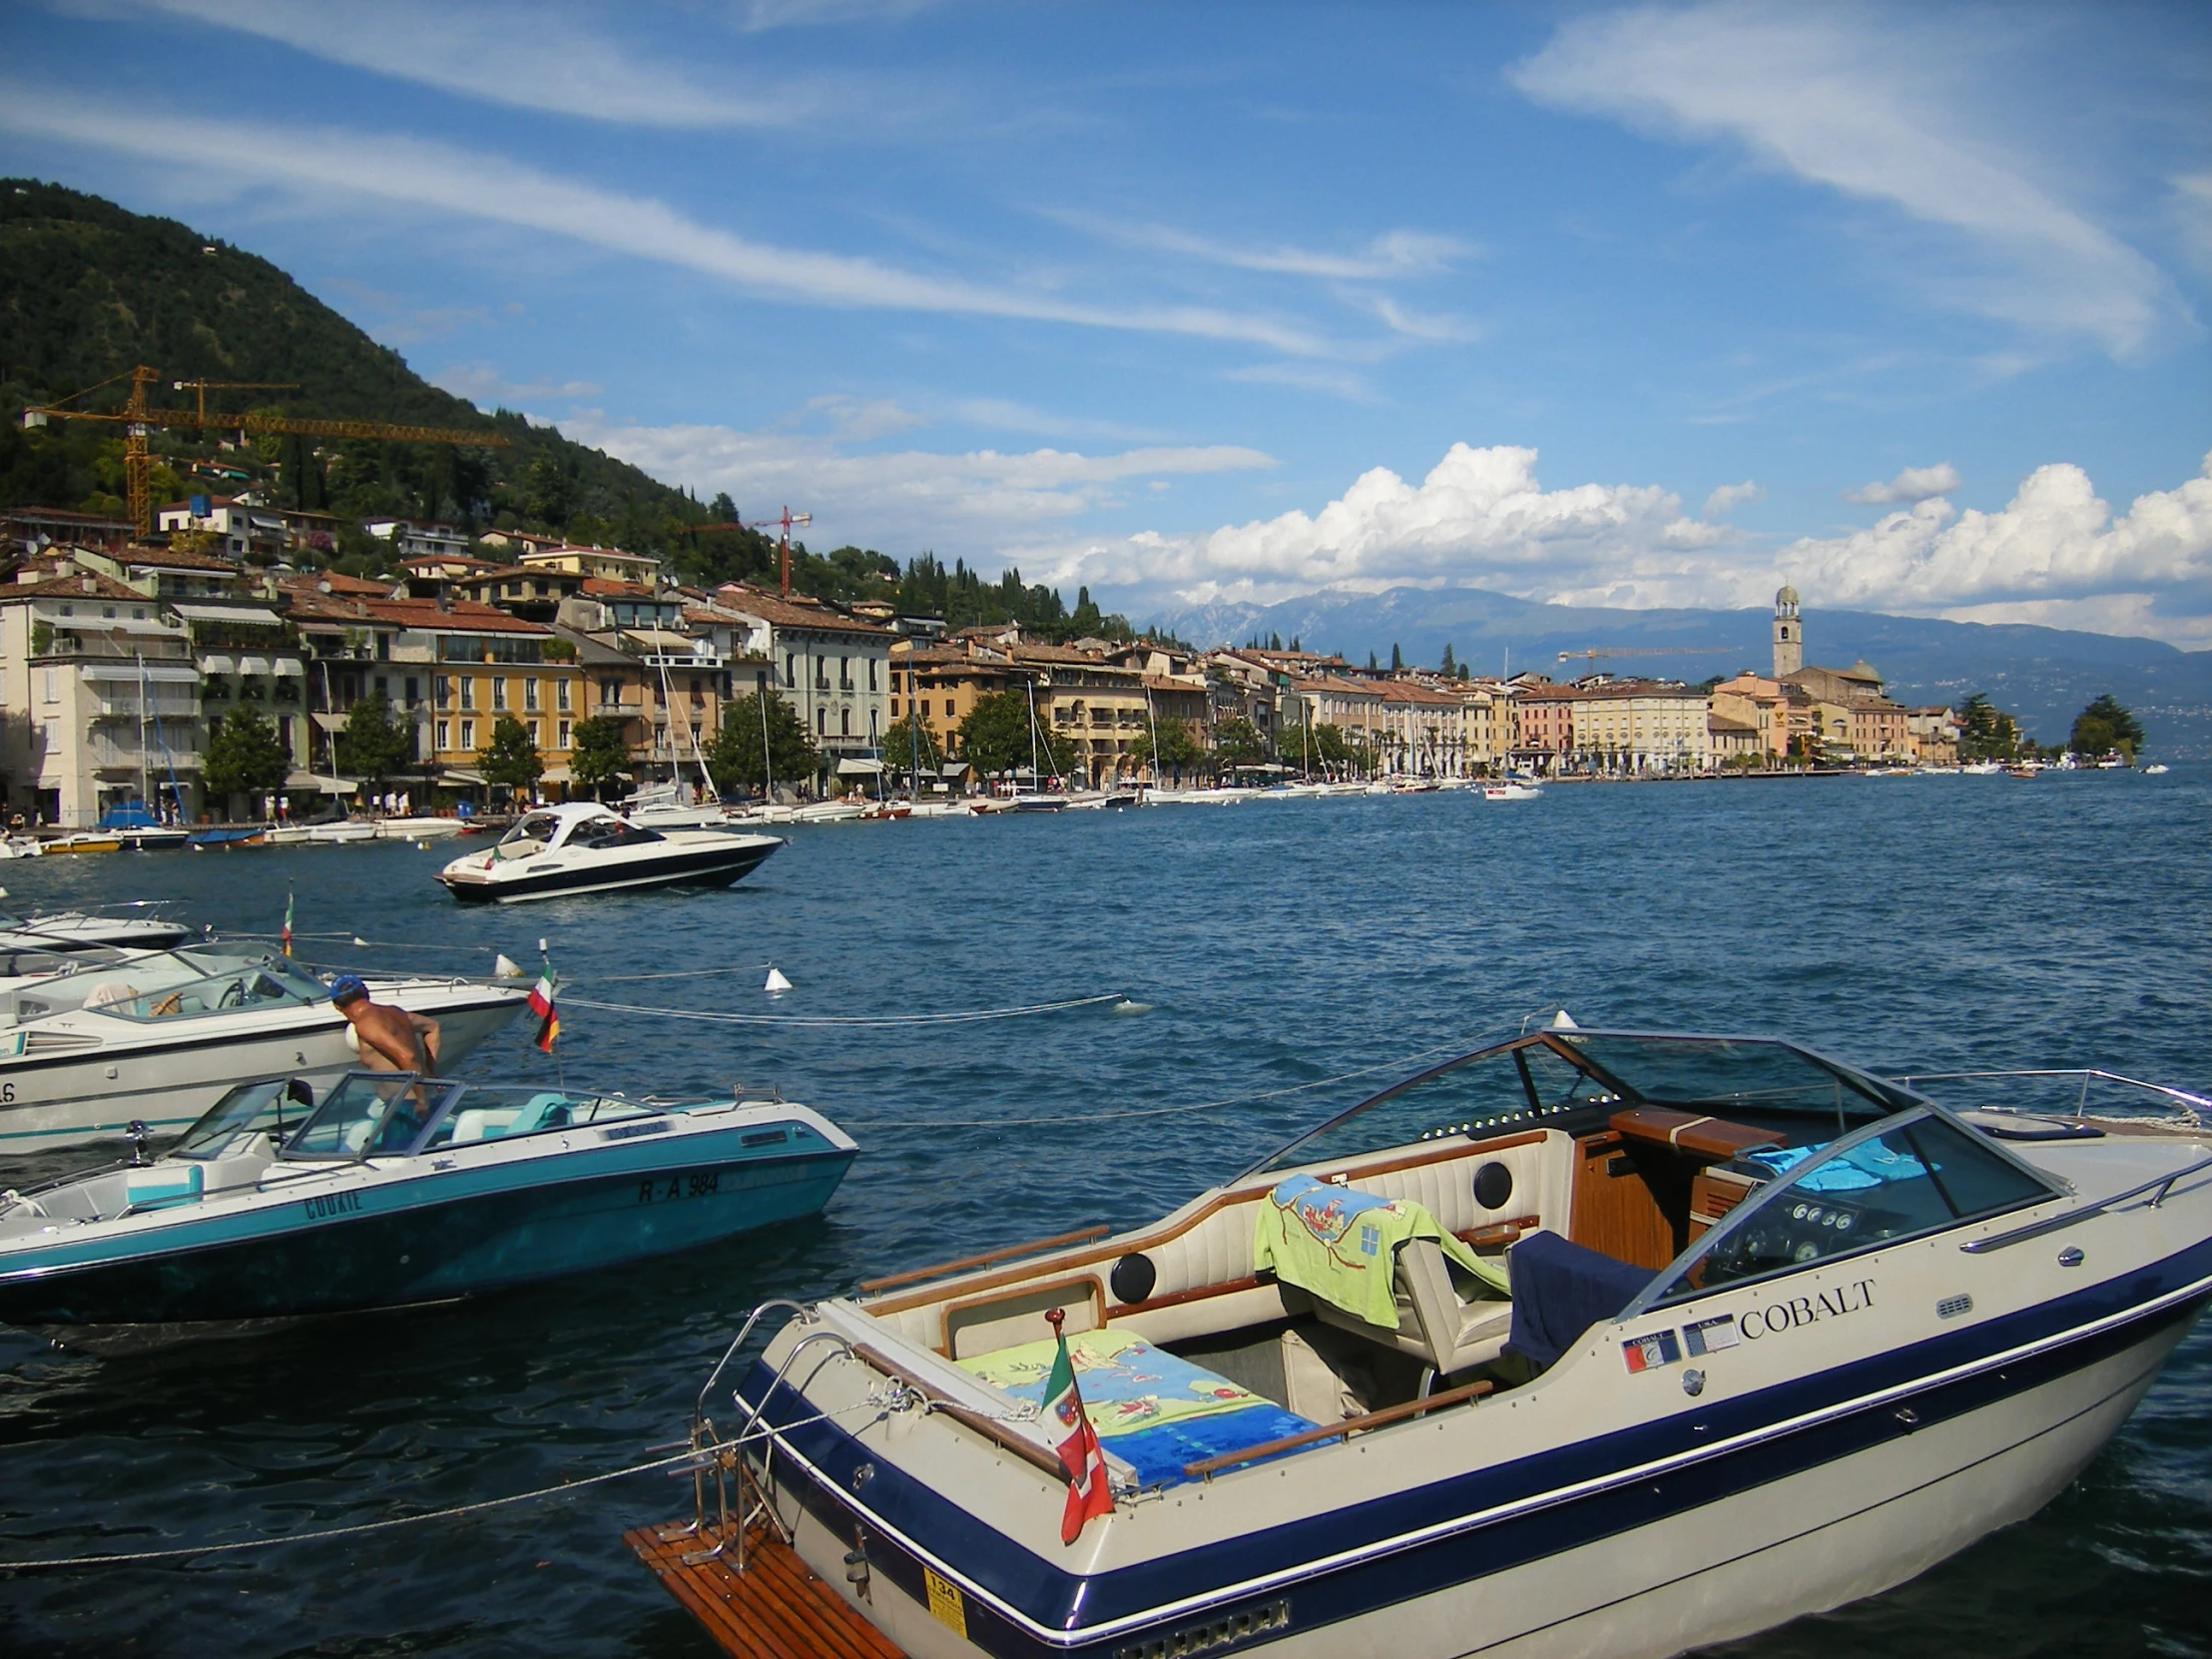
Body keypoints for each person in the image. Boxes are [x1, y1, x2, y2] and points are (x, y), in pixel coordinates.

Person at [327, 974, 441, 1075]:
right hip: (415, 1094)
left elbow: (408, 1057)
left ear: (337, 1007)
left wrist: (421, 1099)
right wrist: (430, 1073)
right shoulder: (395, 1012)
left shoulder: (366, 1023)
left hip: (406, 1097)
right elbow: (433, 1027)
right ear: (367, 993)